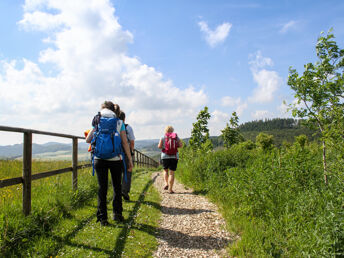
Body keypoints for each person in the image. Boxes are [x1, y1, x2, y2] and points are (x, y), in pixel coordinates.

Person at [86, 101, 133, 226]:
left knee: (102, 188)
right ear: (113, 110)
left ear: (102, 108)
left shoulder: (97, 120)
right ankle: (117, 214)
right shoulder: (119, 122)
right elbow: (124, 143)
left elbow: (88, 140)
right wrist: (130, 159)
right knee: (116, 187)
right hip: (115, 159)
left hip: (99, 158)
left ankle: (102, 218)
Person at [158, 125, 182, 194]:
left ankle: (166, 183)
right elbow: (180, 145)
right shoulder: (176, 137)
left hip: (165, 156)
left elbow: (159, 146)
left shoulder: (163, 137)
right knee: (172, 173)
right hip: (174, 156)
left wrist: (164, 147)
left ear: (166, 130)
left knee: (165, 171)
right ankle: (170, 189)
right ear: (172, 130)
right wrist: (175, 146)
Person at [119, 111, 135, 201]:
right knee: (128, 171)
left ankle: (117, 192)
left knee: (117, 173)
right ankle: (124, 191)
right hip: (126, 152)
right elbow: (132, 142)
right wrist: (131, 153)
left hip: (115, 152)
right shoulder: (128, 127)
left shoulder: (114, 126)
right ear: (124, 118)